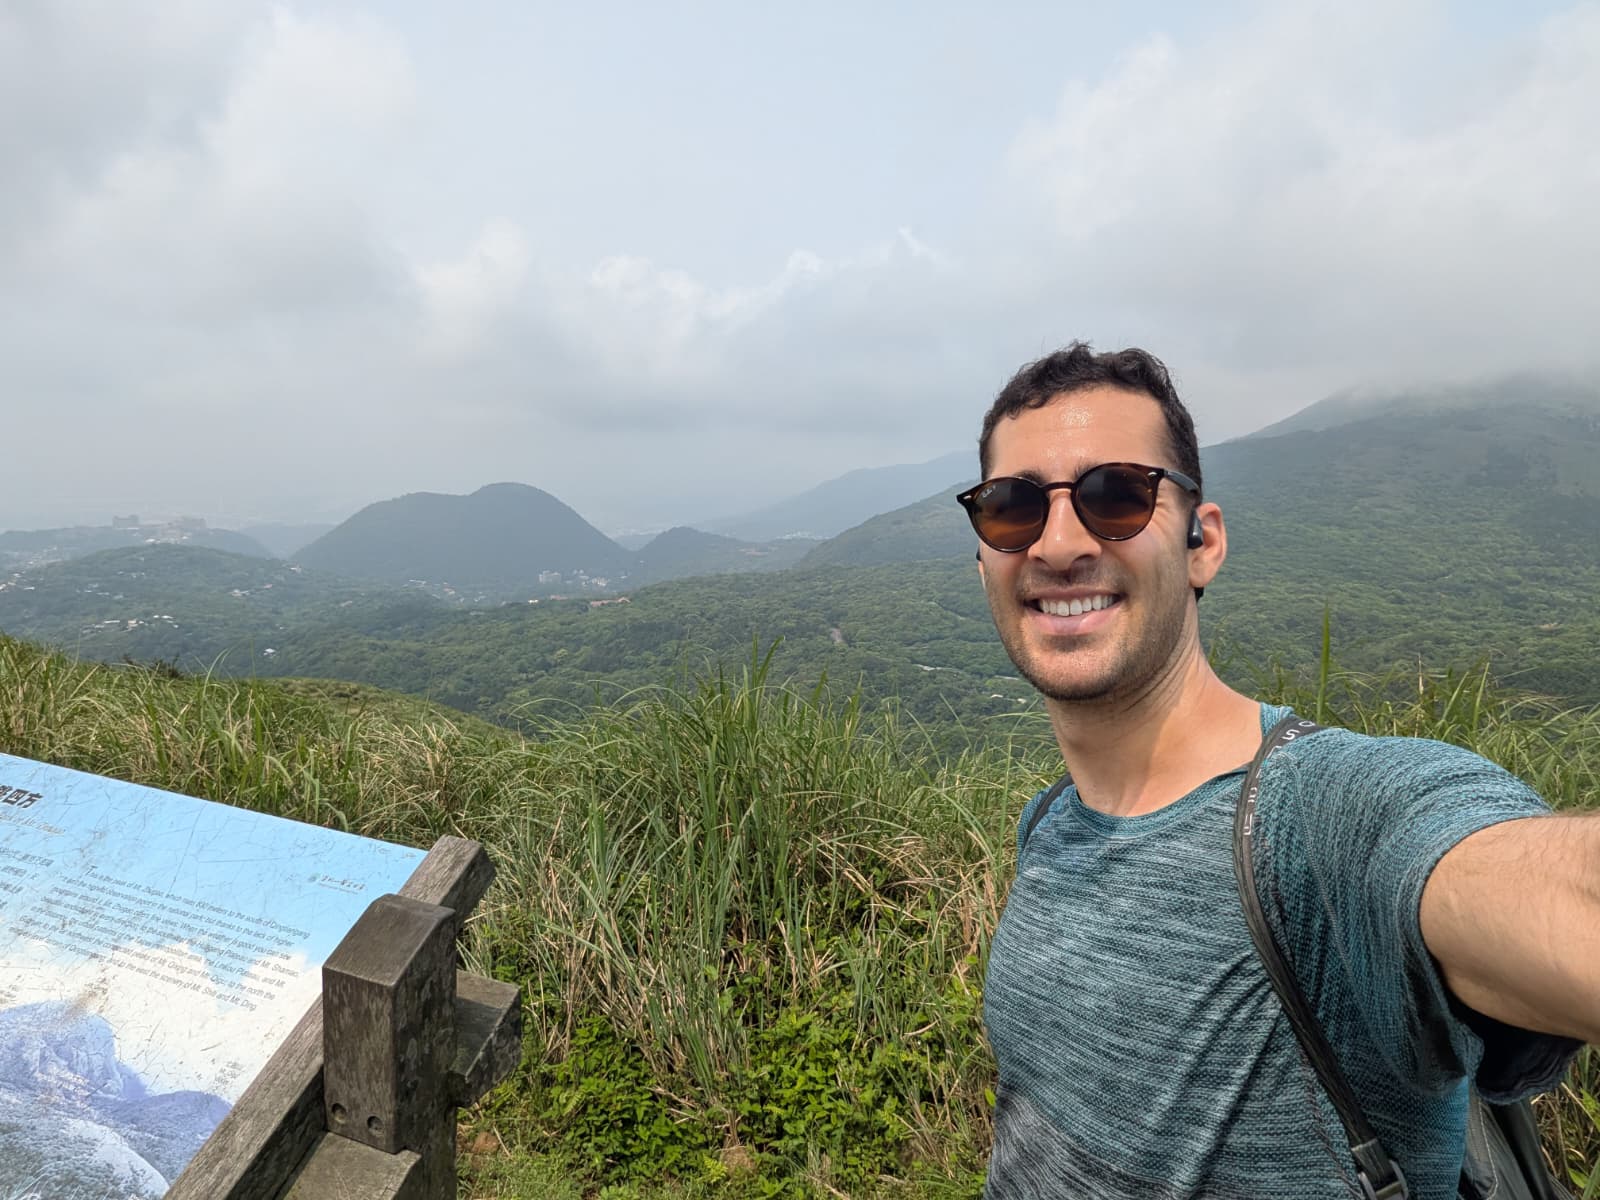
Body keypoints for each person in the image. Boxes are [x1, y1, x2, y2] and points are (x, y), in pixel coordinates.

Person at [960, 342, 1598, 1199]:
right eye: (1013, 507)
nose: (1060, 542)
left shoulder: (1316, 818)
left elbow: (1518, 883)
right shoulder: (1052, 824)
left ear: (1202, 543)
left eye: (1118, 496)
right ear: (983, 558)